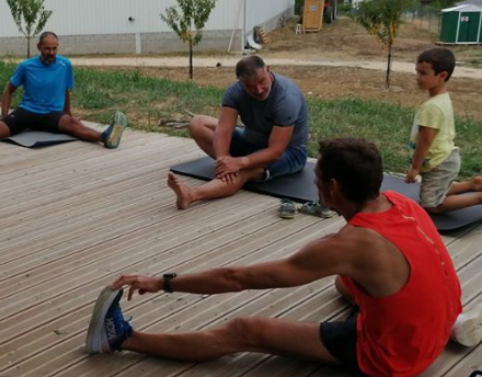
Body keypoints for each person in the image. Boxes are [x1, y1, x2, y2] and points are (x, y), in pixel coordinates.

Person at [87, 138, 482, 377]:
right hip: (435, 326)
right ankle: (451, 322)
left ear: (332, 187)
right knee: (345, 282)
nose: (314, 185)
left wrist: (162, 282)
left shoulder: (350, 245)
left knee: (245, 329)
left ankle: (120, 339)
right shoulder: (400, 203)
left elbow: (236, 278)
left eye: (317, 179)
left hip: (396, 358)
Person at [167, 56, 315, 213]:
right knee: (197, 123)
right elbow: (224, 130)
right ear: (241, 82)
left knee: (244, 169)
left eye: (261, 81)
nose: (258, 90)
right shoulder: (235, 92)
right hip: (251, 140)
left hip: (289, 152)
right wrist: (223, 159)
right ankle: (228, 169)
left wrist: (240, 163)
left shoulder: (287, 98)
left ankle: (191, 194)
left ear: (268, 70)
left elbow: (275, 152)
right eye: (250, 86)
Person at [0, 32, 127, 149]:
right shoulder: (26, 66)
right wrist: (4, 116)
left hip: (52, 114)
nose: (51, 52)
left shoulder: (65, 65)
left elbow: (66, 91)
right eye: (47, 49)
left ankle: (105, 137)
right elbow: (8, 91)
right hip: (28, 111)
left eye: (54, 48)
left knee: (74, 125)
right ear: (39, 47)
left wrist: (69, 115)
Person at [405, 47, 482, 214]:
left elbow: (426, 140)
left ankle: (478, 197)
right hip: (442, 158)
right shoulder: (441, 98)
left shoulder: (432, 107)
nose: (417, 77)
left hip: (440, 163)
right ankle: (474, 185)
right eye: (417, 71)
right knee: (434, 191)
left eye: (423, 73)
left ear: (442, 76)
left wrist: (415, 168)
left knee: (431, 205)